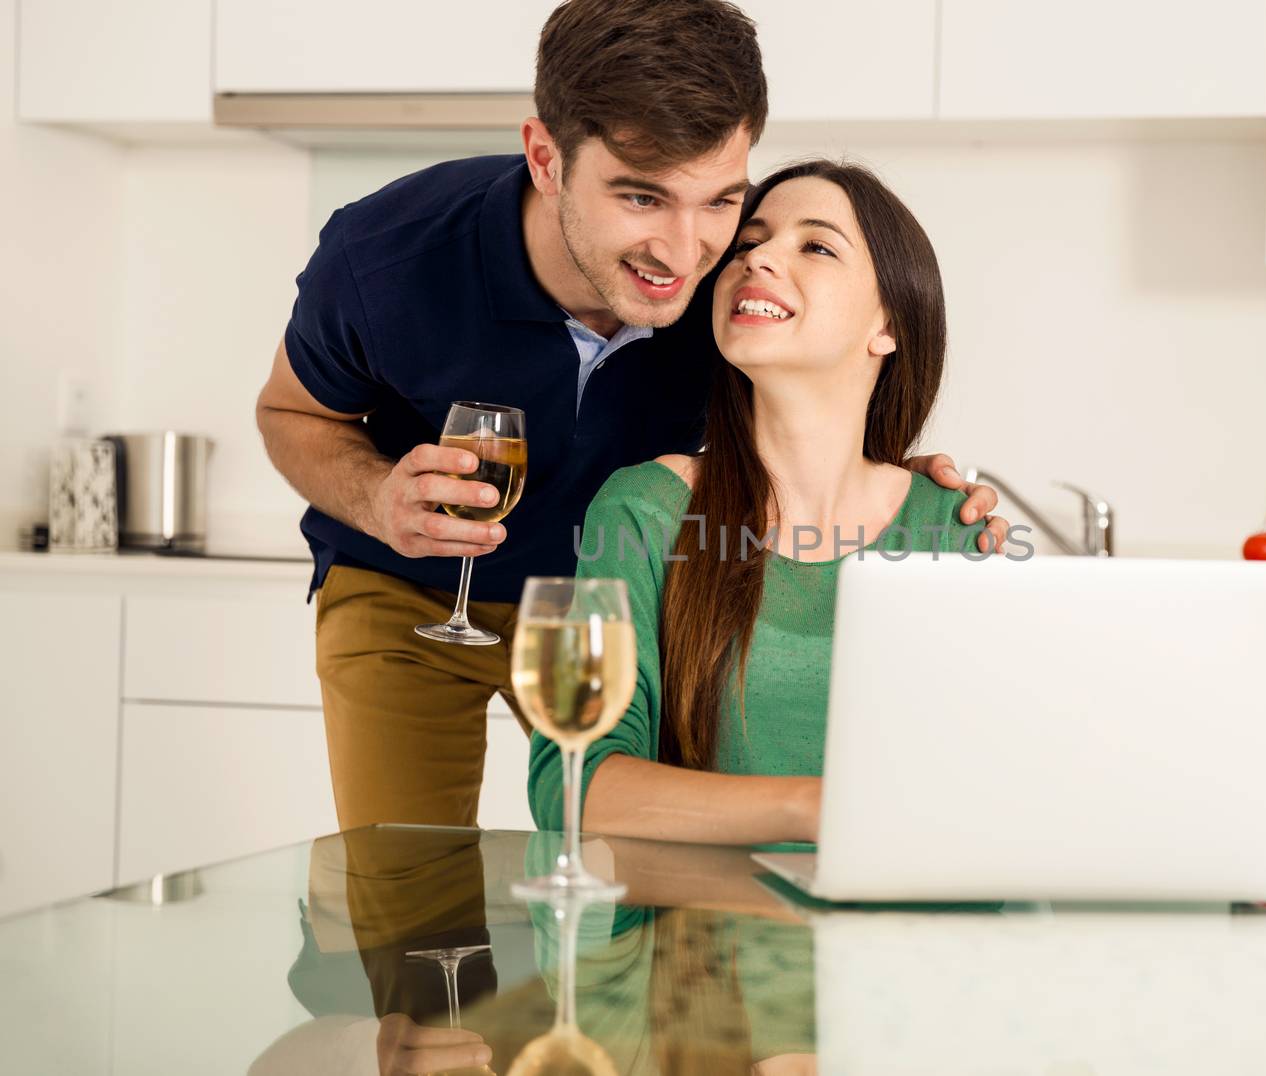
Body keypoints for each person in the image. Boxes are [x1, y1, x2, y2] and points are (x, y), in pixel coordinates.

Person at [254, 0, 1005, 832]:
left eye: (722, 200)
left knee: (612, 876)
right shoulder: (387, 258)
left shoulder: (732, 281)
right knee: (407, 905)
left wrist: (901, 489)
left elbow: (818, 394)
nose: (687, 254)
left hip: (612, 581)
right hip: (415, 586)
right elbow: (291, 413)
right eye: (642, 199)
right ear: (546, 158)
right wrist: (375, 501)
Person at [530, 160, 977, 846]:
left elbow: (992, 781)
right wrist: (809, 808)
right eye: (749, 243)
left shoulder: (953, 526)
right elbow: (574, 783)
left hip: (906, 937)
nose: (757, 256)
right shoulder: (644, 512)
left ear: (889, 324)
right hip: (701, 943)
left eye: (816, 245)